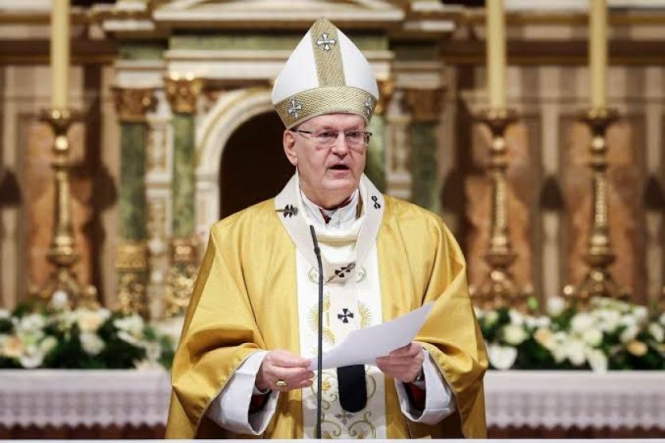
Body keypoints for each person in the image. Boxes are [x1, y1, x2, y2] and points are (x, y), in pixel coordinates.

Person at [165, 18, 487, 439]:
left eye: (355, 135)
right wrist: (257, 375)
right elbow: (200, 367)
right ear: (291, 146)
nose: (341, 149)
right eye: (325, 135)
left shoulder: (424, 236)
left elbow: (463, 361)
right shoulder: (238, 240)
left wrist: (419, 371)